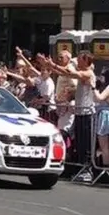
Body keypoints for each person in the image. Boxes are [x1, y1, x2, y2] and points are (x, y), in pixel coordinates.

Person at [43, 50, 96, 182]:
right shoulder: (81, 73)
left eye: (79, 59)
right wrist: (50, 65)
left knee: (85, 144)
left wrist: (54, 66)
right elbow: (64, 73)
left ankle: (87, 170)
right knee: (79, 143)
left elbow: (72, 73)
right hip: (79, 112)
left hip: (86, 113)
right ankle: (80, 168)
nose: (77, 61)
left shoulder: (88, 73)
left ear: (85, 61)